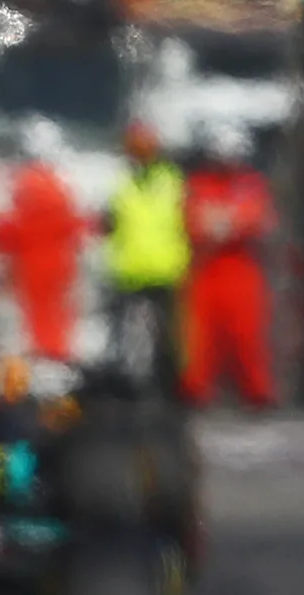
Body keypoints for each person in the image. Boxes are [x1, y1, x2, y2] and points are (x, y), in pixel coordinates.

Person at [184, 122, 276, 409]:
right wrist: (229, 221)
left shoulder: (251, 184)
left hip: (241, 267)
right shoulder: (200, 184)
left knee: (246, 334)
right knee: (202, 336)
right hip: (207, 268)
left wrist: (225, 222)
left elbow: (257, 221)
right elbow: (195, 223)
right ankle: (197, 390)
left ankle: (256, 391)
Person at [104, 122, 191, 393]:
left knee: (170, 334)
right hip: (129, 269)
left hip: (166, 268)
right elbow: (108, 222)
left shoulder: (172, 181)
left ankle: (170, 383)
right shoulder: (119, 182)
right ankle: (128, 383)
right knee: (126, 334)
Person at [2, 118, 85, 363]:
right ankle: (57, 354)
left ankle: (43, 356)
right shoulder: (60, 187)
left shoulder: (23, 185)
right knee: (57, 315)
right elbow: (74, 228)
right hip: (59, 262)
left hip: (31, 262)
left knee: (36, 316)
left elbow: (12, 229)